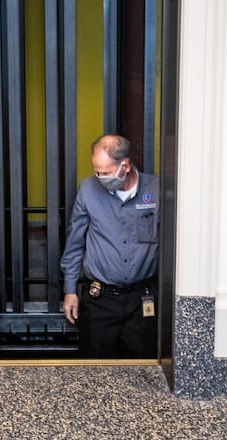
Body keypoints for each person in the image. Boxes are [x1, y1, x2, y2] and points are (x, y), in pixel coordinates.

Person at [60, 134, 159, 358]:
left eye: (105, 173)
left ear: (124, 166)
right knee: (94, 369)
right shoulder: (87, 190)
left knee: (144, 368)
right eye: (96, 171)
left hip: (142, 299)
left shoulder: (157, 191)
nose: (100, 177)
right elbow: (75, 243)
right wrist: (69, 290)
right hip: (100, 300)